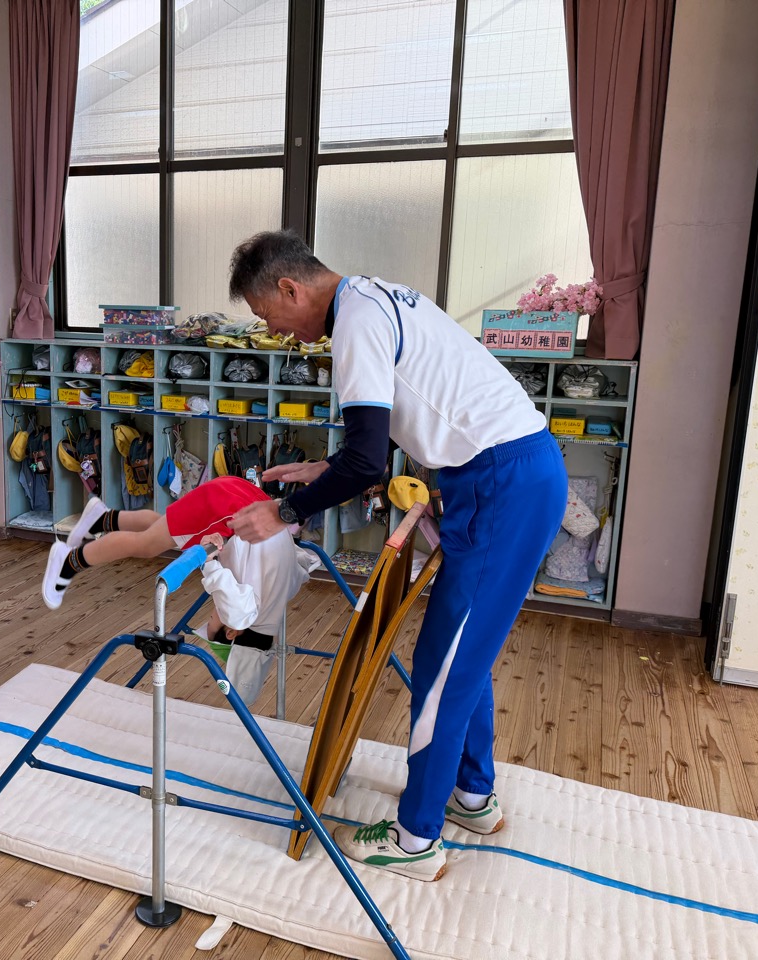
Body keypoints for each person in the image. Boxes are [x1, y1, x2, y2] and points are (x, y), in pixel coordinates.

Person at [226, 231, 568, 881]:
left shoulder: (354, 324)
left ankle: (416, 841)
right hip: (508, 474)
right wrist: (324, 468)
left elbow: (366, 463)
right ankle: (473, 797)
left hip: (501, 484)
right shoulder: (374, 296)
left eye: (270, 316)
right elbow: (382, 434)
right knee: (465, 650)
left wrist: (283, 513)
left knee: (444, 665)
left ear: (291, 289)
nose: (277, 333)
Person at [42, 477, 313, 706]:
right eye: (211, 622)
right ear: (232, 632)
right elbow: (224, 587)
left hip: (252, 502)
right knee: (146, 545)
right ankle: (68, 561)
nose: (211, 614)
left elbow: (302, 564)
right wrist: (208, 562)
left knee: (168, 531)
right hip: (228, 512)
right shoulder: (242, 617)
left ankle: (103, 518)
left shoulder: (282, 593)